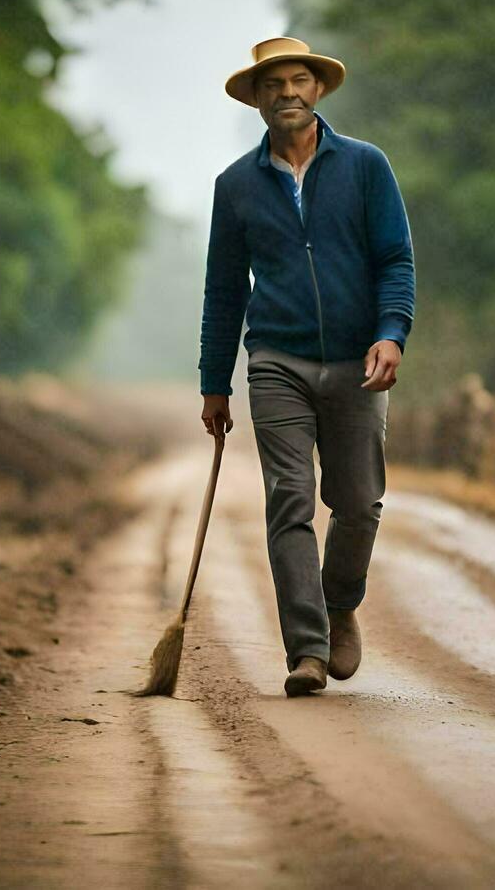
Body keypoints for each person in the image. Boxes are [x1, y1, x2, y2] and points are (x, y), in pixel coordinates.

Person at [197, 36, 415, 698]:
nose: (286, 92)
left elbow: (395, 260)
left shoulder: (366, 167)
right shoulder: (235, 185)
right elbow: (225, 289)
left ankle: (339, 602)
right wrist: (214, 382)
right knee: (288, 499)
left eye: (298, 81)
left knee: (358, 503)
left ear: (317, 91)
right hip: (276, 361)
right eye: (273, 85)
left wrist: (391, 334)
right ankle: (308, 649)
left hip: (357, 362)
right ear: (257, 100)